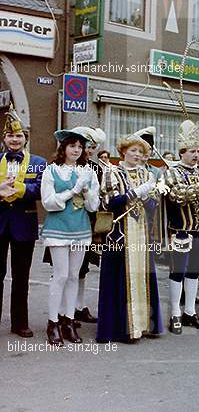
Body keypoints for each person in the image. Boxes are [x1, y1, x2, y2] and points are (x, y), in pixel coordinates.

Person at [95, 128, 163, 343]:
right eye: (133, 150)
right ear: (123, 151)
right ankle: (119, 329)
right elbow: (109, 203)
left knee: (143, 277)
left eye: (140, 152)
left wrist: (153, 196)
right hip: (118, 235)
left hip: (141, 234)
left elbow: (152, 207)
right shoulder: (112, 172)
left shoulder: (147, 174)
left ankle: (143, 326)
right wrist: (135, 193)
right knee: (118, 279)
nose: (137, 155)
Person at [41, 128, 100, 345]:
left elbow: (94, 206)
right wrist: (73, 190)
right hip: (58, 228)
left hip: (81, 229)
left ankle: (69, 321)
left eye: (79, 147)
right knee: (61, 275)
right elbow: (48, 202)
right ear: (63, 148)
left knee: (75, 275)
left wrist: (85, 191)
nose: (76, 150)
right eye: (72, 146)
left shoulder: (89, 172)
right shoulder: (52, 170)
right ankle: (53, 322)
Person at [162, 119, 199, 334]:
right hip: (181, 230)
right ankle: (175, 313)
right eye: (192, 151)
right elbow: (177, 196)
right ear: (181, 152)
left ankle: (190, 312)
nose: (196, 155)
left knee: (193, 272)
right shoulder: (172, 172)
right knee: (178, 272)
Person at [0, 105, 46, 338]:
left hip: (23, 225)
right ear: (4, 138)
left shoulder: (39, 162)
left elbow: (39, 190)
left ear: (25, 138)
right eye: (10, 135)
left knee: (21, 277)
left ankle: (20, 323)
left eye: (19, 136)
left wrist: (16, 188)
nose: (14, 139)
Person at [71, 126, 106, 325]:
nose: (89, 151)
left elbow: (98, 197)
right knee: (64, 270)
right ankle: (62, 310)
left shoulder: (96, 168)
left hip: (88, 222)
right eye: (86, 146)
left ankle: (78, 306)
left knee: (82, 268)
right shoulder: (60, 165)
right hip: (66, 222)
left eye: (92, 147)